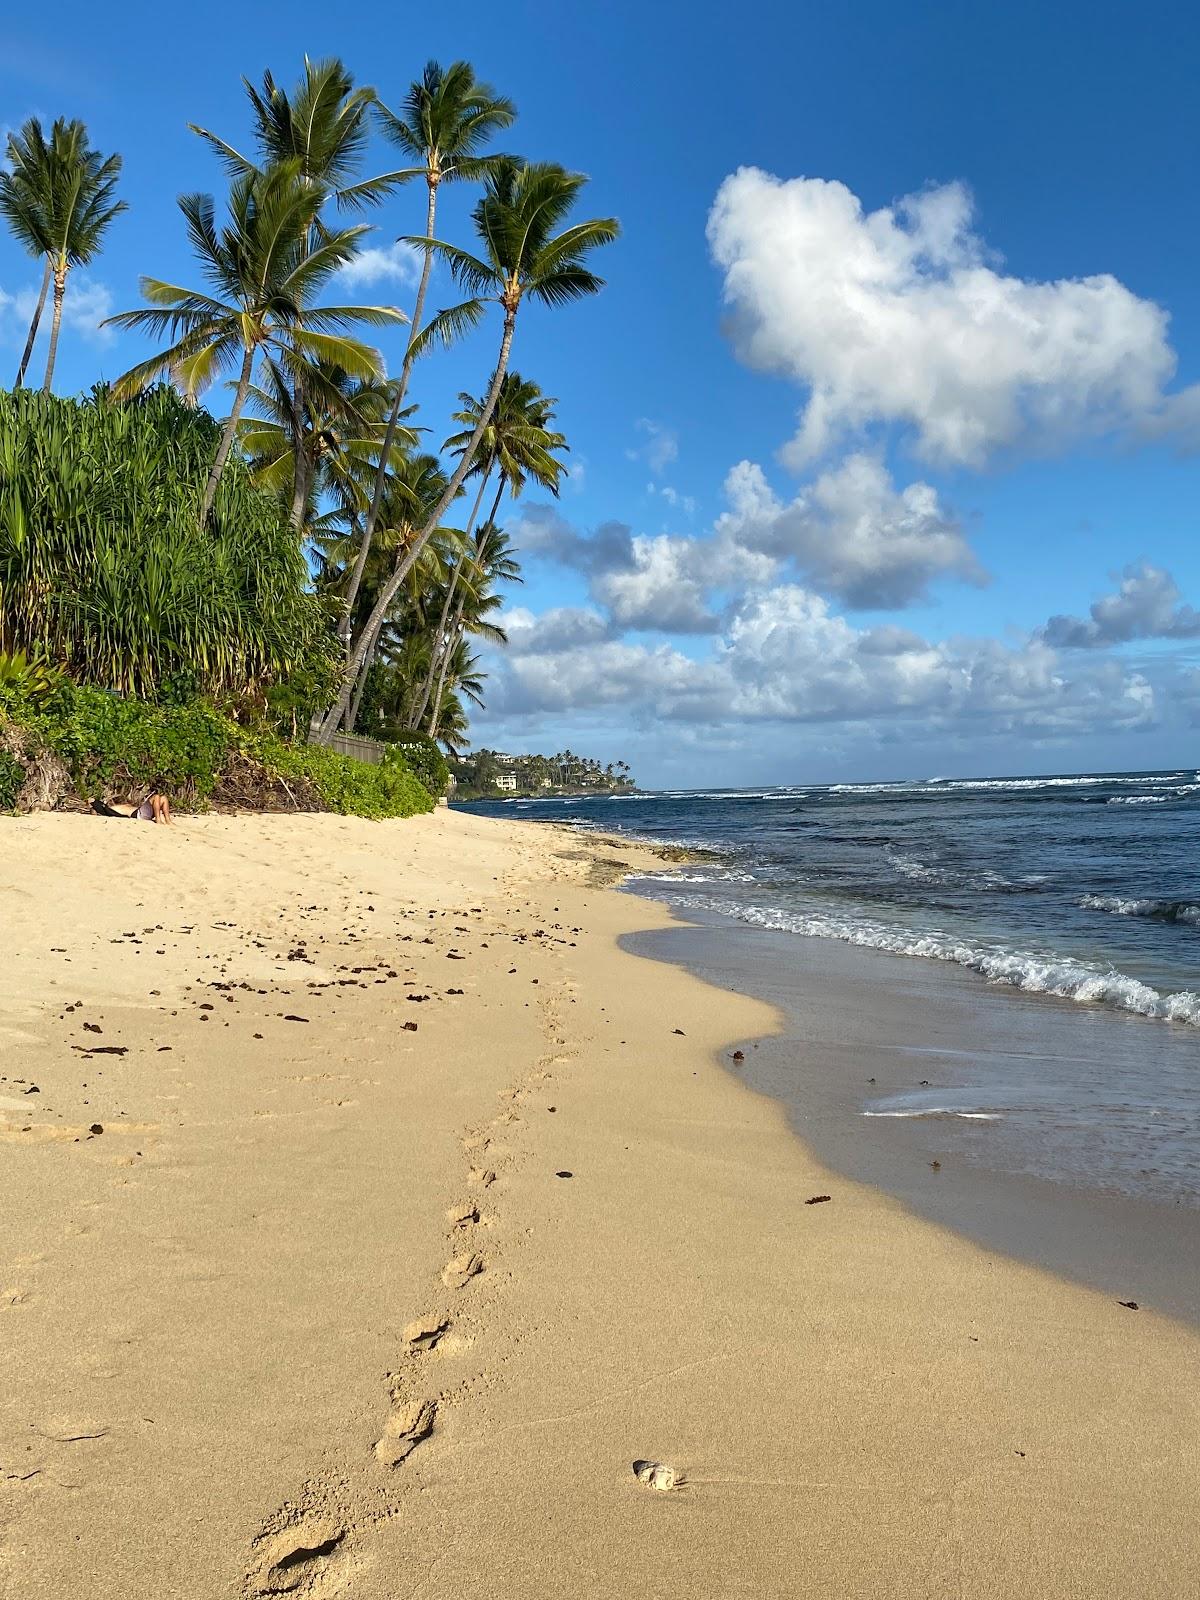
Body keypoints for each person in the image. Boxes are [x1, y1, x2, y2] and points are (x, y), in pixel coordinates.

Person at [91, 792, 172, 824]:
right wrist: (93, 805)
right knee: (156, 796)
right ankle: (158, 819)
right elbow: (104, 808)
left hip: (143, 813)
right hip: (138, 814)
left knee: (164, 798)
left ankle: (168, 820)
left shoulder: (124, 806)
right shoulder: (113, 808)